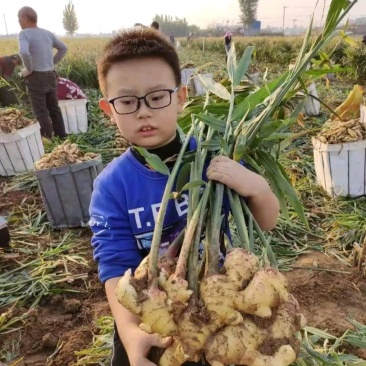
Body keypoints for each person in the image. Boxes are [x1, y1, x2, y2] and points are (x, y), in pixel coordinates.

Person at [89, 27, 280, 366]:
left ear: (180, 97)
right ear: (108, 110)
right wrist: (131, 334)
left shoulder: (217, 160)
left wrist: (257, 187)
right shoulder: (110, 186)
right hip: (152, 310)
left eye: (157, 96)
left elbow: (265, 223)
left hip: (218, 298)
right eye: (128, 101)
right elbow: (115, 269)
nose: (144, 111)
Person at [17, 6, 68, 139]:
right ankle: (62, 136)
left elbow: (23, 52)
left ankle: (47, 140)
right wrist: (52, 62)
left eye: (19, 18)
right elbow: (63, 48)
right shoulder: (47, 33)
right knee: (54, 109)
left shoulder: (24, 34)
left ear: (24, 18)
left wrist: (29, 69)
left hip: (36, 78)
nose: (19, 22)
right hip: (50, 75)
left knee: (41, 111)